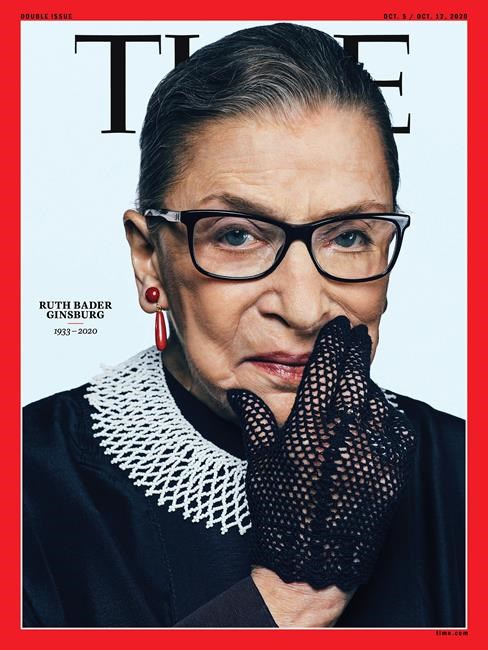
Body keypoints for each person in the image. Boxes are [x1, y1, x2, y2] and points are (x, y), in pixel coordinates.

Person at [23, 23, 465, 628]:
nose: (304, 309)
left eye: (349, 237)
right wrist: (290, 600)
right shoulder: (26, 483)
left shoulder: (466, 473)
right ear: (149, 257)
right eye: (236, 235)